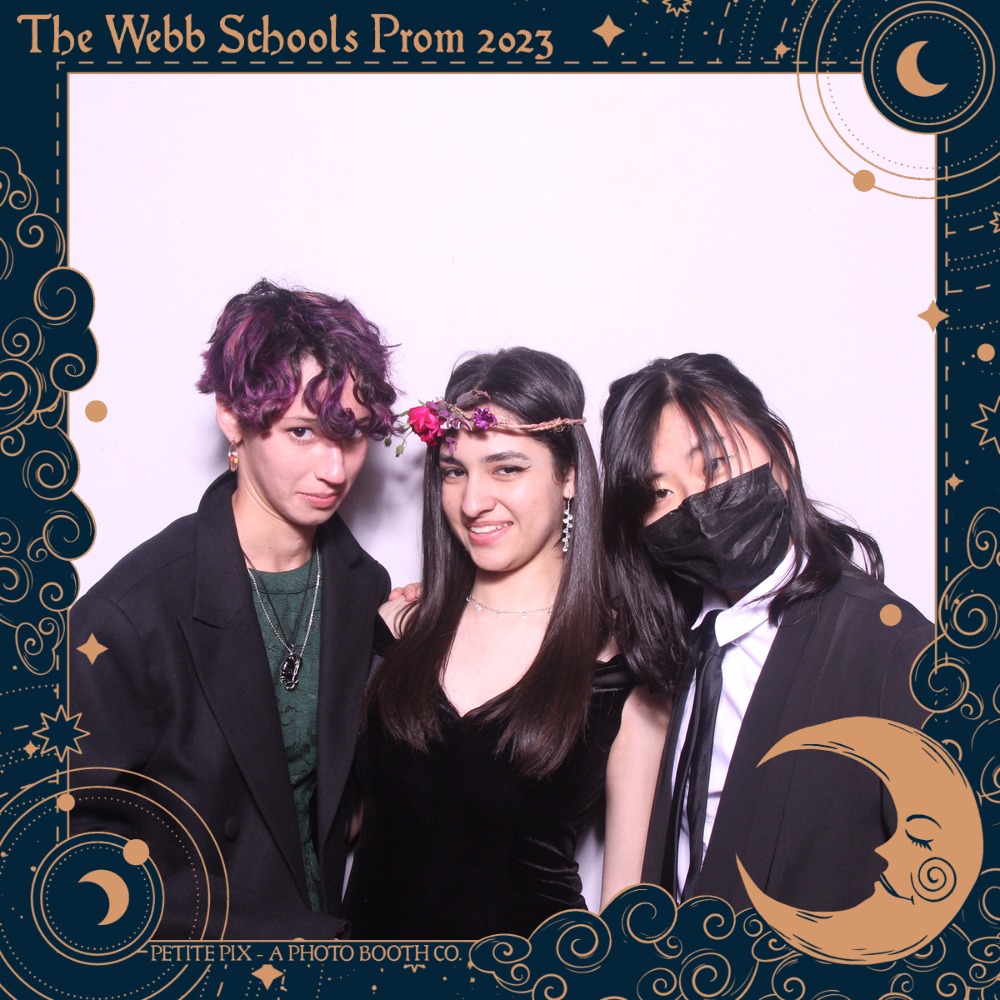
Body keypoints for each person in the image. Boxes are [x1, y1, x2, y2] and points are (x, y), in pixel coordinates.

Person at [69, 278, 397, 938]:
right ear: (232, 415)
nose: (335, 469)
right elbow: (75, 855)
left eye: (354, 435)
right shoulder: (126, 617)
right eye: (302, 432)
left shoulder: (362, 586)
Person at [343, 347, 668, 939]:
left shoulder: (620, 665)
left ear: (569, 476)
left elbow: (631, 912)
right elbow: (329, 826)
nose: (472, 502)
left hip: (534, 974)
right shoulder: (396, 630)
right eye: (454, 471)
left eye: (507, 469)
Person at [600, 353, 932, 913]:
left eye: (714, 464)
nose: (695, 504)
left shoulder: (894, 648)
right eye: (659, 494)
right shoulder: (675, 648)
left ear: (781, 450)